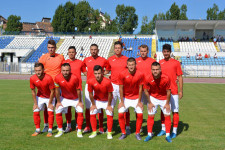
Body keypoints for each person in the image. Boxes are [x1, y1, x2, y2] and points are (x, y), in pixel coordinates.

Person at [38, 39, 65, 133]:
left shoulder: (61, 57)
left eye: (52, 48)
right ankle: (46, 125)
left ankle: (59, 125)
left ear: (55, 48)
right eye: (49, 48)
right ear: (47, 48)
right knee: (46, 106)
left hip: (57, 86)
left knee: (58, 105)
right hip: (46, 86)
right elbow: (39, 71)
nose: (51, 49)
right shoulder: (43, 58)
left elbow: (64, 69)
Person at [83, 44, 110, 133]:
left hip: (100, 85)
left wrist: (103, 74)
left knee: (100, 106)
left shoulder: (103, 60)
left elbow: (108, 68)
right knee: (88, 107)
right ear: (90, 50)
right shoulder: (86, 59)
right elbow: (82, 67)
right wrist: (87, 74)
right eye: (92, 49)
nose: (93, 51)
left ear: (98, 50)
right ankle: (87, 126)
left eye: (95, 49)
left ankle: (101, 127)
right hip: (89, 85)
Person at [158, 44, 183, 139]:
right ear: (162, 52)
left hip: (173, 91)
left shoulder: (176, 63)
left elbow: (180, 76)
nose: (166, 53)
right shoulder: (160, 62)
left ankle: (174, 131)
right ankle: (163, 129)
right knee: (163, 110)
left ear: (170, 52)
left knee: (175, 111)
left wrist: (181, 91)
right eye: (164, 51)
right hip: (163, 92)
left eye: (167, 51)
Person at [143, 62, 172, 143]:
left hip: (164, 98)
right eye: (153, 70)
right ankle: (149, 134)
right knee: (150, 115)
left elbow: (169, 91)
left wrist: (167, 103)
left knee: (167, 116)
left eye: (157, 69)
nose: (155, 71)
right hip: (153, 98)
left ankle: (168, 135)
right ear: (151, 70)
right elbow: (145, 91)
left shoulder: (166, 78)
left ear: (160, 70)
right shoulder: (148, 77)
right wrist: (150, 102)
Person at [117, 57, 144, 140]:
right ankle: (123, 133)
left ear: (136, 65)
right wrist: (121, 101)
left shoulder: (140, 74)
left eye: (132, 65)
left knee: (140, 114)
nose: (131, 66)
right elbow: (120, 88)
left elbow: (140, 89)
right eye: (129, 65)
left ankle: (137, 133)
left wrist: (139, 101)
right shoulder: (122, 74)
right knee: (121, 113)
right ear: (127, 65)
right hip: (126, 97)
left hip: (136, 97)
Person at [54, 63, 84, 138]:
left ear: (70, 70)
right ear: (61, 71)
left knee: (80, 111)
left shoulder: (75, 78)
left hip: (75, 98)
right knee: (58, 110)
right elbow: (57, 90)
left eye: (67, 70)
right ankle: (60, 130)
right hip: (64, 98)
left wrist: (80, 102)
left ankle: (79, 131)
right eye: (63, 70)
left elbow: (78, 90)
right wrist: (58, 102)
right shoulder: (57, 78)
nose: (65, 72)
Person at [62, 46, 87, 133]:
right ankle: (68, 126)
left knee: (78, 108)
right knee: (67, 109)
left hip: (77, 89)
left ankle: (77, 125)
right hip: (66, 89)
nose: (71, 53)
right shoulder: (64, 63)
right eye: (70, 52)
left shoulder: (80, 62)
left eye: (73, 52)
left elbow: (85, 72)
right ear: (68, 53)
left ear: (76, 53)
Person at [107, 41, 130, 133]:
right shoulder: (110, 59)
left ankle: (127, 127)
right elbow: (107, 70)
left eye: (119, 48)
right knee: (111, 106)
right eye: (116, 48)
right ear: (114, 49)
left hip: (124, 86)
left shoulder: (126, 59)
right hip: (112, 85)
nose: (117, 49)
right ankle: (110, 126)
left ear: (122, 49)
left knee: (125, 107)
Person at [88, 65, 114, 139]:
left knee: (109, 113)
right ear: (93, 73)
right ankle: (94, 132)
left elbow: (110, 94)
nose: (97, 75)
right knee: (92, 112)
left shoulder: (107, 82)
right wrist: (93, 104)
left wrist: (109, 105)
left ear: (102, 73)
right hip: (97, 100)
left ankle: (109, 133)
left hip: (107, 100)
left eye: (99, 73)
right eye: (95, 73)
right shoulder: (91, 81)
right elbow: (90, 93)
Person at [30, 63, 55, 137]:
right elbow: (33, 92)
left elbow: (53, 91)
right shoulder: (32, 78)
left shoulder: (49, 78)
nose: (38, 72)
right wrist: (35, 103)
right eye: (36, 70)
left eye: (40, 70)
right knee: (35, 110)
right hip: (40, 97)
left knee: (50, 111)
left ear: (43, 70)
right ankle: (37, 130)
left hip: (50, 97)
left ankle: (50, 130)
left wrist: (50, 103)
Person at [136, 45, 156, 132]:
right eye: (141, 51)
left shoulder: (152, 61)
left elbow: (157, 72)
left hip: (149, 89)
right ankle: (139, 127)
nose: (143, 53)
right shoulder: (136, 61)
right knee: (138, 108)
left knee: (150, 108)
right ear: (139, 51)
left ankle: (149, 129)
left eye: (144, 51)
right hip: (138, 89)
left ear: (148, 51)